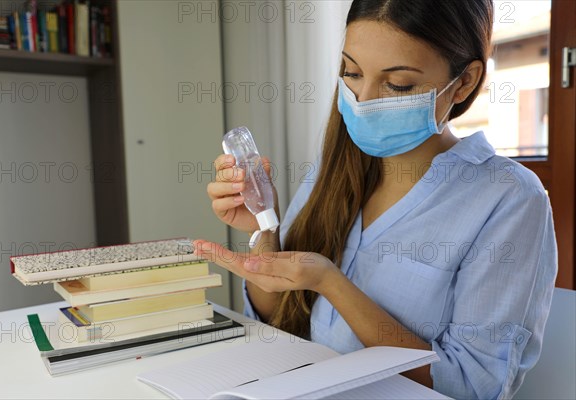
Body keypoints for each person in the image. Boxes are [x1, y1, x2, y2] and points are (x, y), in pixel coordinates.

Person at [193, 0, 558, 398]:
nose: (363, 99)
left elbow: (472, 387)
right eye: (351, 72)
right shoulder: (333, 165)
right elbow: (280, 323)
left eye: (397, 84)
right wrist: (266, 224)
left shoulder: (509, 199)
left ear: (466, 81)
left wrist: (331, 283)